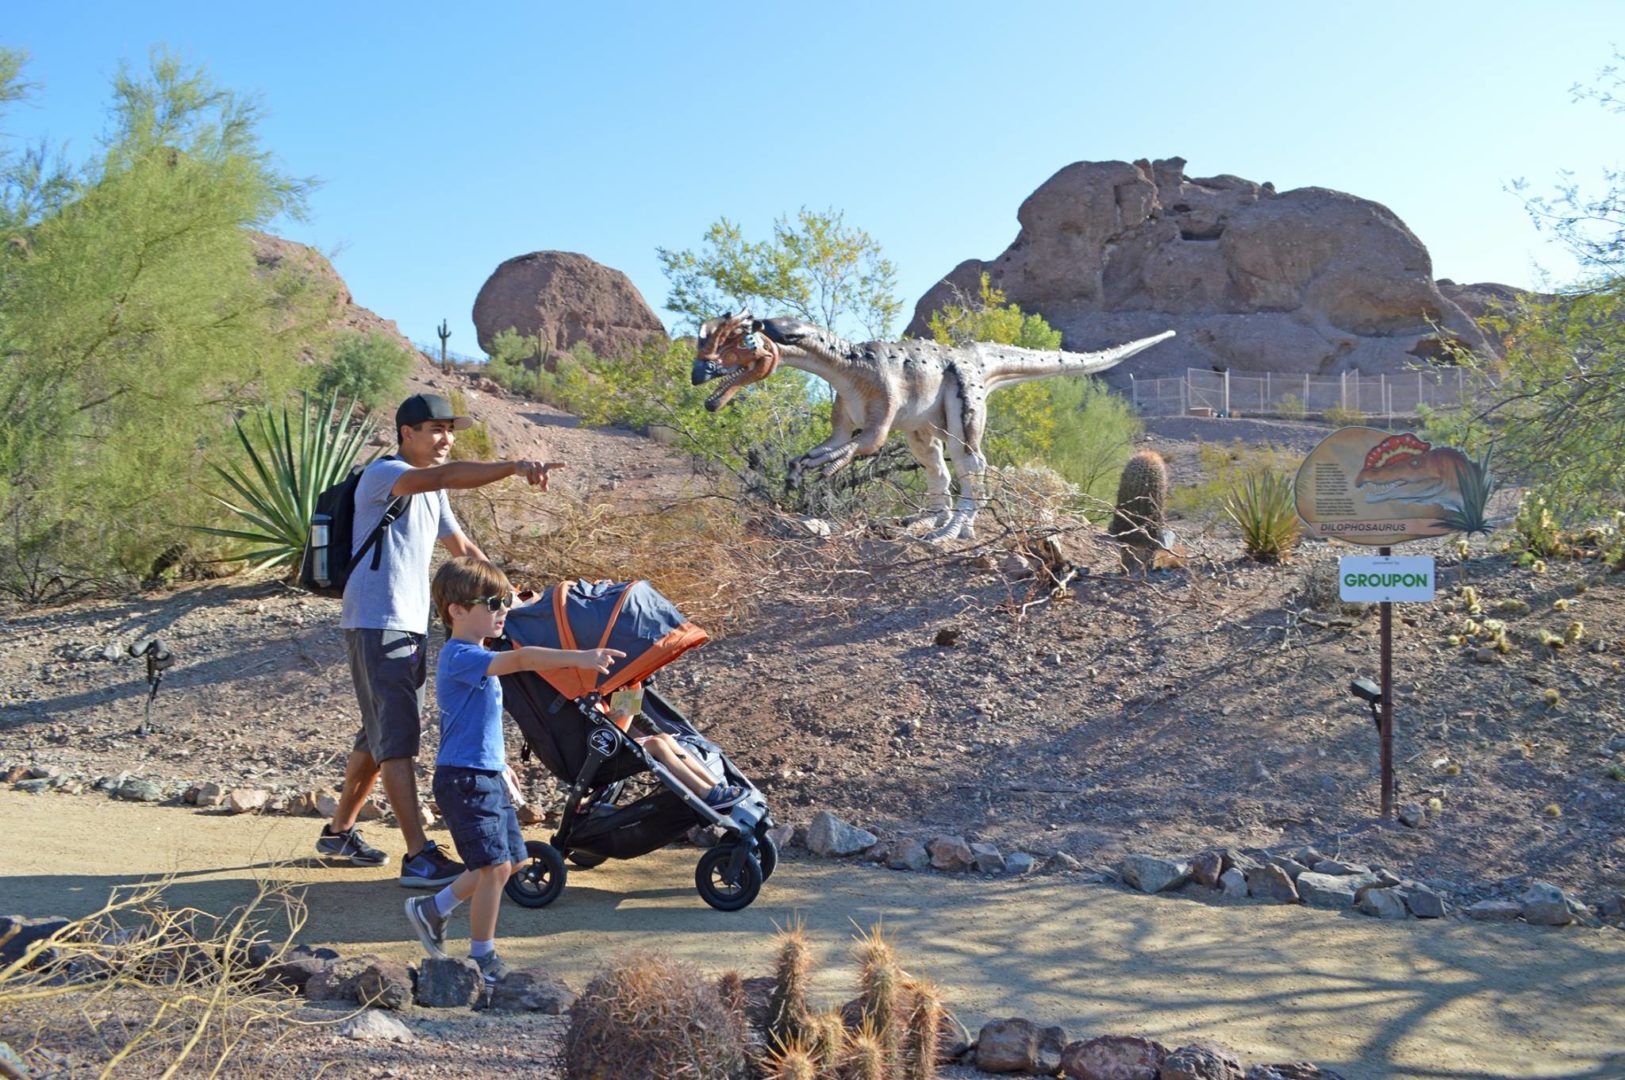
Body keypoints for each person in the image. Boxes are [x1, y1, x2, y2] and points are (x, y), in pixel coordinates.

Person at [316, 392, 564, 889]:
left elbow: (463, 549)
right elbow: (445, 475)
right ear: (406, 432)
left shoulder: (433, 491)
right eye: (435, 429)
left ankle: (339, 831)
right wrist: (515, 465)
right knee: (399, 739)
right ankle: (418, 856)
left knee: (379, 733)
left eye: (450, 429)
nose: (446, 439)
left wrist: (507, 597)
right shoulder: (387, 474)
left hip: (407, 624)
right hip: (376, 621)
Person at [405, 557, 623, 983]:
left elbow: (474, 723)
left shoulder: (478, 657)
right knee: (491, 868)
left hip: (482, 772)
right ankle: (482, 957)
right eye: (493, 602)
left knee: (508, 864)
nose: (503, 610)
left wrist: (501, 764)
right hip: (464, 778)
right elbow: (523, 661)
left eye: (506, 601)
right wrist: (580, 657)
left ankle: (432, 909)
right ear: (457, 610)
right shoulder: (461, 655)